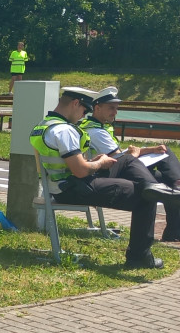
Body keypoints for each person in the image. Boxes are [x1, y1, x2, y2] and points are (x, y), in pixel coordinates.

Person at [30, 87, 177, 269]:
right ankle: (139, 257)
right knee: (145, 197)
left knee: (126, 159)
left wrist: (94, 161)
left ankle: (153, 186)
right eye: (85, 111)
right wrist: (98, 164)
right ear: (76, 103)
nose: (84, 116)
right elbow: (81, 171)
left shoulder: (45, 125)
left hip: (65, 185)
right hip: (73, 189)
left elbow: (70, 166)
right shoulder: (64, 130)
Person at [80, 87, 180, 242]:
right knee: (166, 172)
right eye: (111, 108)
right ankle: (174, 230)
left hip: (115, 168)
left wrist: (150, 149)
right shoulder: (96, 132)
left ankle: (175, 226)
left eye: (117, 108)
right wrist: (139, 152)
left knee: (165, 163)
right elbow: (120, 159)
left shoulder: (98, 127)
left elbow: (121, 154)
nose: (115, 112)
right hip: (112, 172)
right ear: (97, 108)